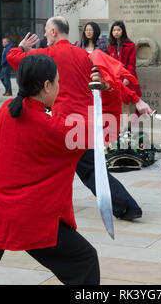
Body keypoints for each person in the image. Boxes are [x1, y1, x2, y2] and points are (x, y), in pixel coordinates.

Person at [0, 54, 113, 285]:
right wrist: (108, 90)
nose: (59, 86)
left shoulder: (6, 110)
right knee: (84, 261)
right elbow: (106, 130)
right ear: (46, 86)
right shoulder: (54, 129)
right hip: (30, 219)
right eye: (57, 81)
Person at [8, 16, 151, 220]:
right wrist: (136, 100)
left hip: (65, 124)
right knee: (75, 167)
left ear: (54, 32)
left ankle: (126, 206)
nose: (45, 35)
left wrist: (21, 47)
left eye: (47, 31)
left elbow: (14, 60)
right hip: (86, 122)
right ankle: (45, 204)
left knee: (84, 169)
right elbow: (110, 81)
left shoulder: (48, 55)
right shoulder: (85, 54)